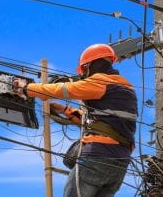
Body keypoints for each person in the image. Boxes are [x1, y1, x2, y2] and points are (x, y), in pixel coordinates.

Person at [14, 44, 137, 197]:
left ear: (90, 65)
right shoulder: (127, 87)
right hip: (120, 162)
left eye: (85, 70)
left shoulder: (101, 81)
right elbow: (102, 123)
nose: (85, 74)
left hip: (98, 154)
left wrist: (27, 89)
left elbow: (64, 89)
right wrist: (64, 110)